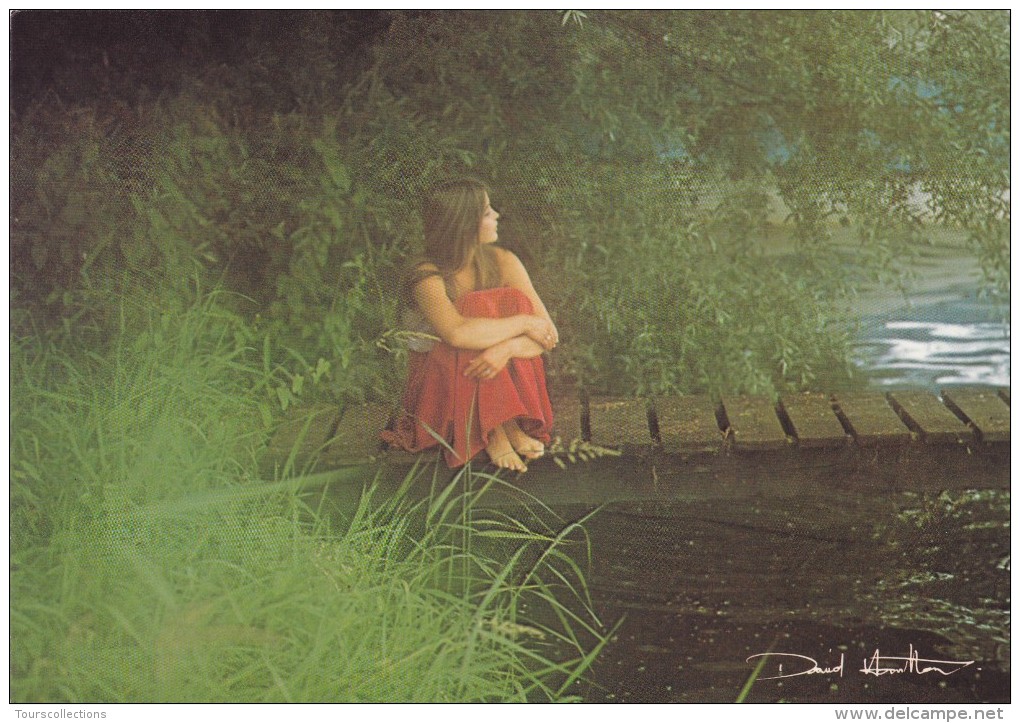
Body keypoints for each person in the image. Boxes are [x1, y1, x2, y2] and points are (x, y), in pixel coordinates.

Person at [381, 178, 557, 472]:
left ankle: (508, 423)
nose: (497, 215)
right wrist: (524, 323)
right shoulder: (426, 275)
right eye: (488, 212)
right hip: (441, 395)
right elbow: (456, 332)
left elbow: (549, 334)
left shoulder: (503, 261)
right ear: (463, 224)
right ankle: (494, 432)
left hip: (488, 371)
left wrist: (506, 349)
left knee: (511, 300)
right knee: (473, 311)